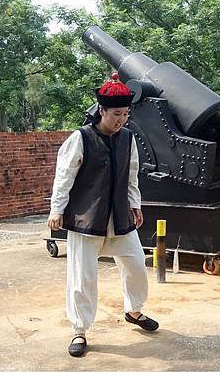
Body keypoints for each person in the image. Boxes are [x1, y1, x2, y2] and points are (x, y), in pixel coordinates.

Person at [47, 73, 158, 358]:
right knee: (83, 278)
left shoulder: (128, 138)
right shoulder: (80, 138)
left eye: (126, 114)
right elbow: (64, 176)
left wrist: (136, 204)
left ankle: (134, 311)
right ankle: (79, 329)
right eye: (117, 114)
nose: (121, 119)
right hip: (87, 218)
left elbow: (131, 175)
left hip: (119, 216)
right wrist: (56, 209)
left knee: (135, 265)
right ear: (102, 111)